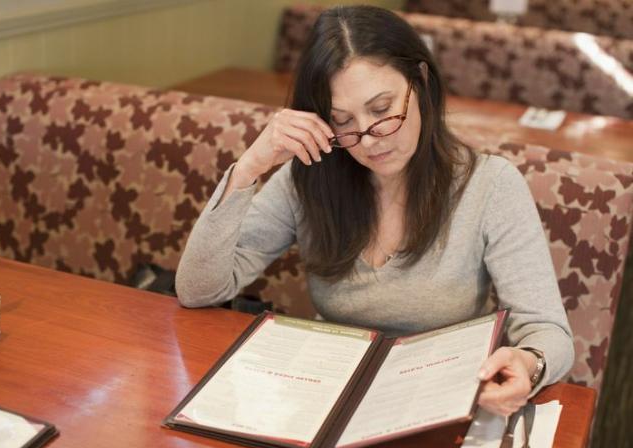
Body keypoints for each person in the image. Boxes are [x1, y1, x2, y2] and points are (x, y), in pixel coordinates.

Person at [175, 5, 573, 417]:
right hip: (328, 399)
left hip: (442, 401)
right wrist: (250, 167)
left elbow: (548, 331)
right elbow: (199, 289)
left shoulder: (489, 186)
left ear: (420, 81)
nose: (369, 140)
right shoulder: (309, 178)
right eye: (343, 121)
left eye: (382, 110)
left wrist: (529, 362)